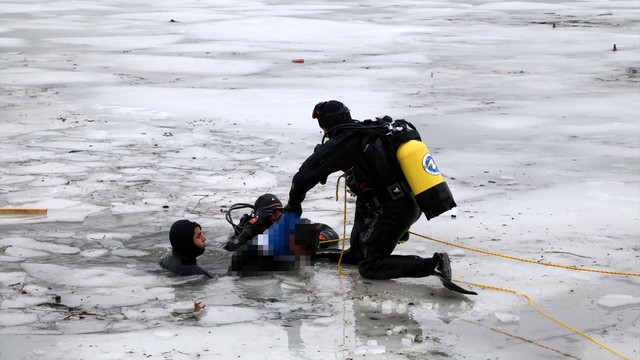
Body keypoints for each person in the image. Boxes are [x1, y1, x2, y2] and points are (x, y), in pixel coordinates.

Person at [283, 100, 453, 284]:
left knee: (369, 266)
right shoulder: (365, 132)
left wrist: (293, 205)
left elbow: (302, 178)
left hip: (392, 209)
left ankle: (434, 265)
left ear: (326, 126)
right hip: (398, 202)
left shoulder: (346, 141)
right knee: (357, 254)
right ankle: (365, 247)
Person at [223, 193, 340, 276]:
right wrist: (250, 231)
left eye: (281, 210)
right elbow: (230, 248)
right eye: (272, 212)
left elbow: (331, 234)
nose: (278, 215)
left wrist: (314, 239)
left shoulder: (290, 227)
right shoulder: (250, 229)